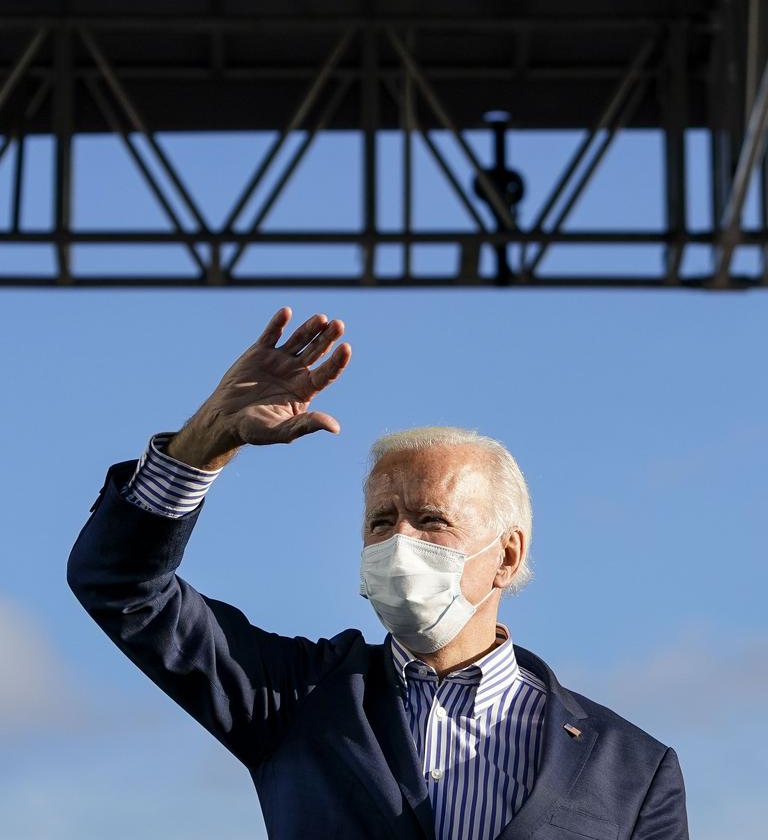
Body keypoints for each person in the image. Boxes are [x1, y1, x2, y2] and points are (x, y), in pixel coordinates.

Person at [67, 306, 689, 840]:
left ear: (506, 556)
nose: (399, 541)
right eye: (381, 521)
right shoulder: (297, 700)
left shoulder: (632, 769)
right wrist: (206, 437)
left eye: (431, 521)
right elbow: (124, 589)